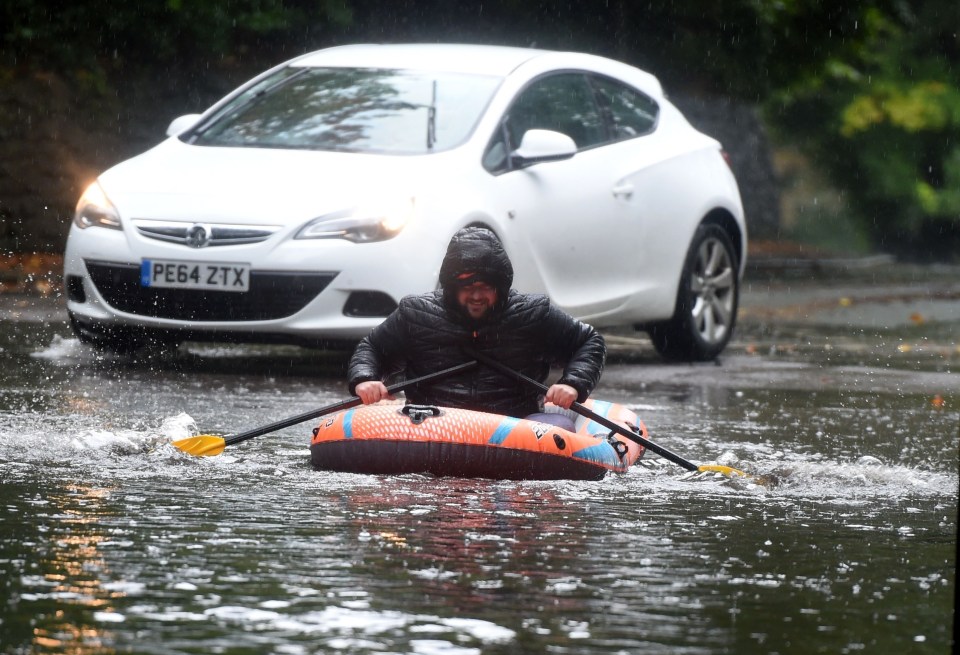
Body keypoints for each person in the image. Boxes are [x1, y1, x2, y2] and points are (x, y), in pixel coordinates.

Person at [347, 226, 605, 430]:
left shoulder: (533, 314)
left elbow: (589, 341)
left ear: (500, 287)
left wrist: (573, 384)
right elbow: (372, 348)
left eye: (486, 287)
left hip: (516, 425)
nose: (477, 296)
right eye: (468, 287)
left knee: (559, 427)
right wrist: (365, 378)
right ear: (451, 287)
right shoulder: (415, 313)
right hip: (429, 422)